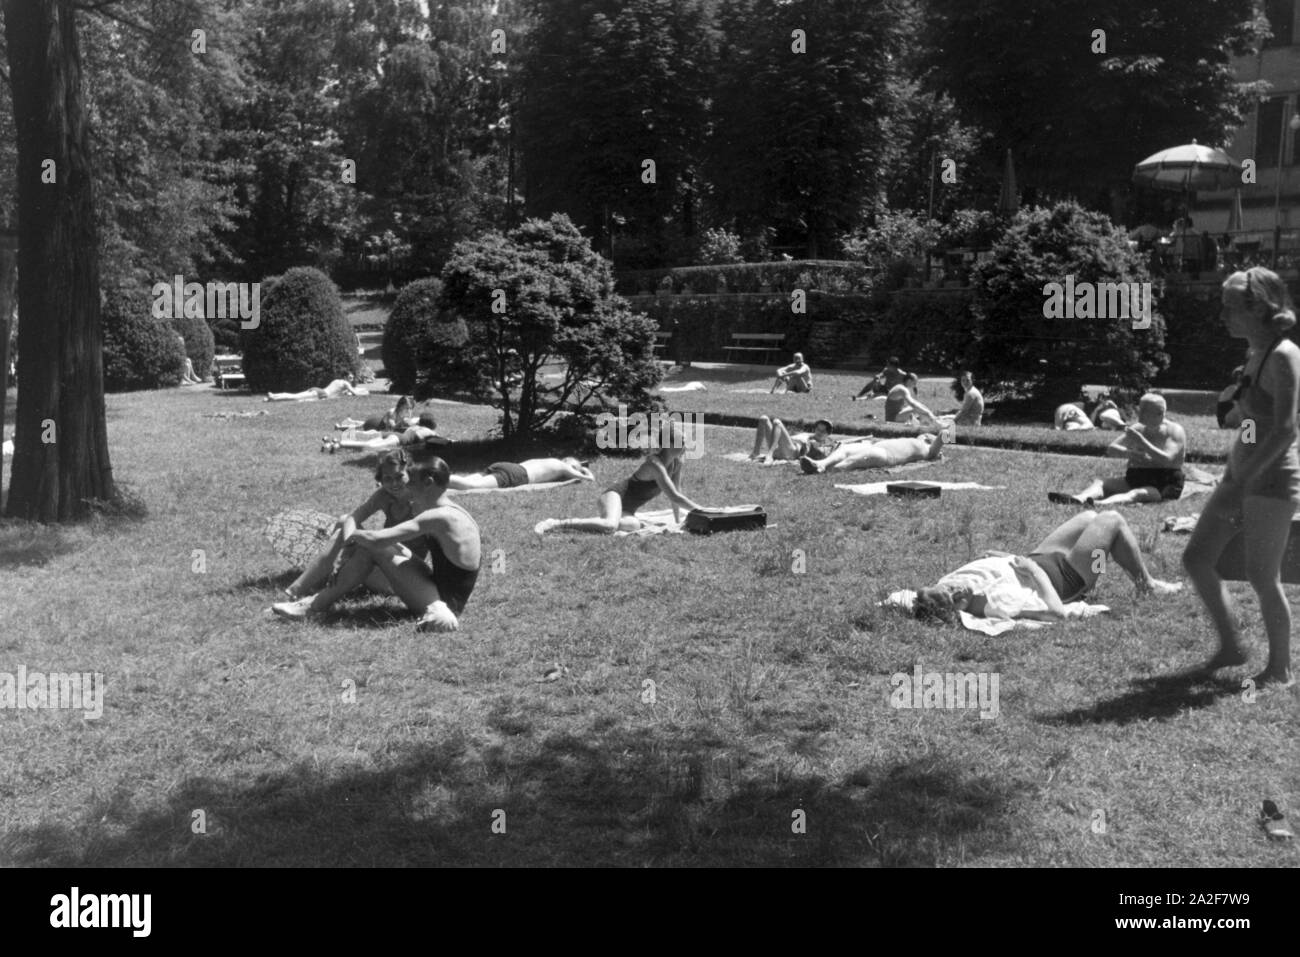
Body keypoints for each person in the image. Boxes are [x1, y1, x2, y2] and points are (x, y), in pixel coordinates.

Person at [1184, 267, 1300, 688]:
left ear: (1259, 308)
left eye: (1230, 306)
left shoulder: (1284, 355)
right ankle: (1232, 645)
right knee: (1196, 558)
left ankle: (1281, 668)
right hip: (1241, 477)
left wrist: (1246, 474)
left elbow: (1286, 428)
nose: (1222, 315)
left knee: (1262, 576)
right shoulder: (1254, 354)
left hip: (1271, 481)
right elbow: (1253, 425)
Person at [272, 456, 481, 633]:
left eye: (410, 481)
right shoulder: (453, 511)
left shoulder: (437, 517)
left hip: (444, 601)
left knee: (372, 545)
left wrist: (351, 541)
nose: (406, 487)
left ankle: (313, 605)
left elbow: (378, 540)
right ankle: (310, 602)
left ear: (428, 483)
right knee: (370, 546)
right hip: (441, 589)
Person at [912, 510, 1182, 624]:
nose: (957, 586)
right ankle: (1146, 585)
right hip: (1072, 577)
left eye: (948, 586)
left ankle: (1103, 561)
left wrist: (1004, 558)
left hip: (1043, 557)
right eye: (954, 593)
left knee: (1089, 516)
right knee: (1111, 521)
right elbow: (1055, 613)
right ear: (958, 607)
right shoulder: (999, 605)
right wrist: (1033, 570)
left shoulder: (954, 588)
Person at [283, 449, 420, 599]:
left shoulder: (420, 500)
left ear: (410, 474)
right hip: (382, 562)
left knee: (369, 543)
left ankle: (322, 579)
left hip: (404, 576)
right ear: (380, 480)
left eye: (400, 476)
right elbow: (352, 517)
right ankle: (297, 589)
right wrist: (348, 544)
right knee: (344, 521)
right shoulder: (384, 496)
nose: (394, 483)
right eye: (387, 478)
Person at [535, 419, 707, 534]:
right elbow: (675, 496)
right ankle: (557, 523)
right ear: (668, 444)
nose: (685, 446)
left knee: (632, 525)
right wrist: (704, 511)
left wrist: (677, 523)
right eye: (681, 442)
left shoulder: (677, 462)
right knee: (610, 526)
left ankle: (600, 521)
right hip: (614, 495)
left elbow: (677, 493)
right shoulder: (654, 464)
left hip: (628, 509)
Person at [1049, 393, 1186, 506]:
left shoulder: (1174, 431)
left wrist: (1141, 442)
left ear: (1159, 414)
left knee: (1136, 494)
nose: (1140, 413)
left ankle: (1098, 504)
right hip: (1137, 477)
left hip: (1164, 483)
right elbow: (1112, 449)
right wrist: (1130, 453)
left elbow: (1167, 460)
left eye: (1145, 411)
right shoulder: (1139, 428)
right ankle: (1079, 498)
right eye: (1140, 409)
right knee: (1102, 482)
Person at [799, 426, 947, 474]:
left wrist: (946, 429)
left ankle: (823, 471)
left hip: (886, 455)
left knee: (850, 461)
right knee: (844, 450)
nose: (925, 434)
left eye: (928, 436)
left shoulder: (928, 450)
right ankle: (822, 464)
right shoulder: (916, 440)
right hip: (874, 447)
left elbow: (943, 436)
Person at [447, 457, 595, 490]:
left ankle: (443, 479)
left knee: (470, 479)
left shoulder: (548, 459)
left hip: (508, 465)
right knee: (472, 486)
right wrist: (584, 470)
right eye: (575, 468)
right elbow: (590, 479)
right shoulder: (564, 466)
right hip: (518, 474)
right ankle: (437, 477)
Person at [323, 413, 444, 453]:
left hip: (393, 434)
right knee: (371, 446)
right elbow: (441, 440)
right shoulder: (429, 432)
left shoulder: (415, 425)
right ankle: (340, 444)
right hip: (401, 439)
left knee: (366, 437)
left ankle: (338, 440)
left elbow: (415, 419)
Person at [750, 417, 838, 464]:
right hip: (779, 448)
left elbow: (809, 454)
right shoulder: (808, 436)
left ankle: (770, 454)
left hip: (791, 452)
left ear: (828, 434)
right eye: (818, 429)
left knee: (777, 422)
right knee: (763, 418)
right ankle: (755, 453)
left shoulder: (823, 445)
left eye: (823, 431)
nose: (819, 432)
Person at [266, 377, 369, 401]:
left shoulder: (337, 381)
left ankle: (274, 396)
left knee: (296, 396)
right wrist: (366, 392)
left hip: (318, 390)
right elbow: (355, 393)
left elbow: (353, 390)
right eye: (350, 377)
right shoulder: (345, 383)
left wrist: (362, 390)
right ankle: (274, 397)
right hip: (321, 393)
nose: (351, 379)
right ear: (346, 377)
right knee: (295, 397)